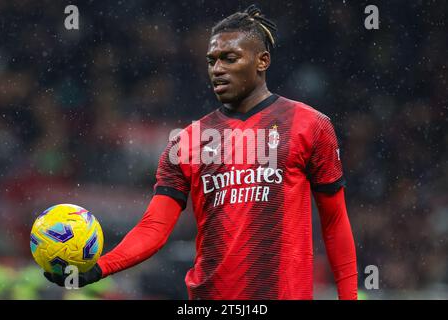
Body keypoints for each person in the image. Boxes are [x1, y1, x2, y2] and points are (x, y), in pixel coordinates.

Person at [45, 5, 358, 300]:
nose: (218, 69)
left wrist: (349, 296)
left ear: (262, 61)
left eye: (230, 58)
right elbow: (154, 229)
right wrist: (98, 269)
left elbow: (335, 221)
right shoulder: (188, 142)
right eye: (212, 61)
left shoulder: (309, 125)